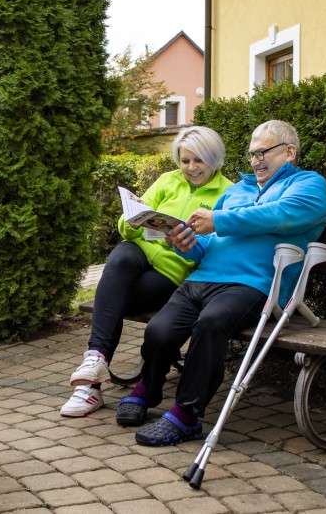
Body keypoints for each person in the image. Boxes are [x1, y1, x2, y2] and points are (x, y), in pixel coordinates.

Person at [115, 120, 326, 446]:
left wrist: (218, 220)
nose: (256, 160)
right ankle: (149, 386)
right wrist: (185, 242)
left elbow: (284, 214)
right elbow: (207, 243)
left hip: (254, 284)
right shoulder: (236, 191)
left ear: (289, 152)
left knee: (211, 323)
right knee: (159, 330)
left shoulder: (308, 185)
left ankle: (186, 416)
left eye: (263, 152)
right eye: (251, 154)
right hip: (203, 278)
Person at [60, 126, 234, 417]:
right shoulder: (168, 180)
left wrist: (184, 243)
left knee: (112, 296)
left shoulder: (227, 193)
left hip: (170, 273)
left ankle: (89, 388)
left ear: (215, 159)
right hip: (137, 255)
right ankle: (95, 360)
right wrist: (134, 219)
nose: (190, 168)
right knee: (120, 257)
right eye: (185, 160)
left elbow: (216, 248)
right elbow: (125, 227)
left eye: (198, 161)